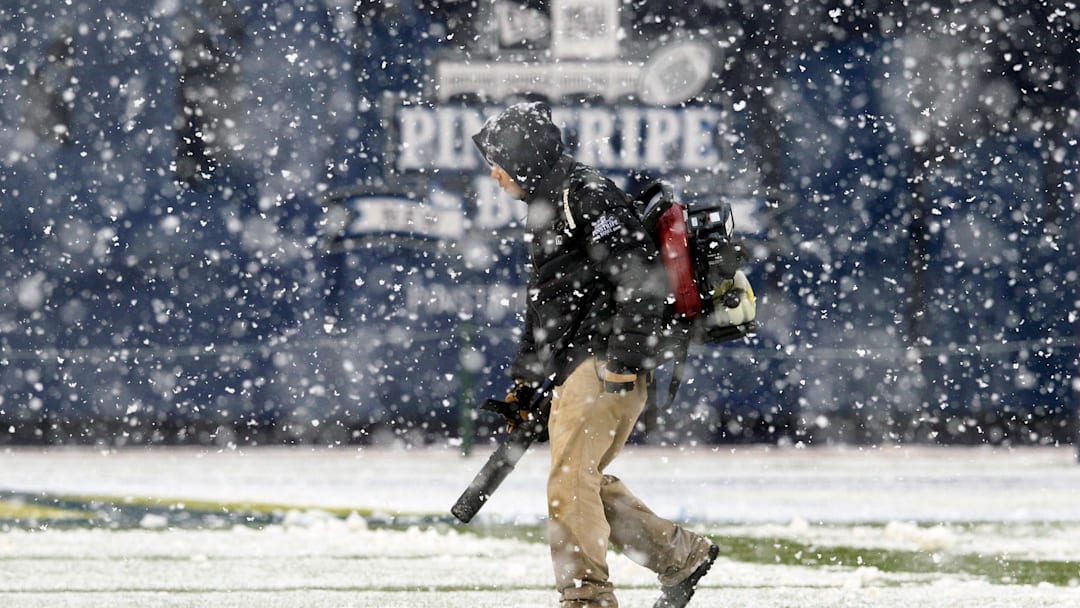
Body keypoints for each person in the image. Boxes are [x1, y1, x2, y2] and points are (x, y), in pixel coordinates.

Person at [472, 101, 719, 608]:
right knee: (579, 481)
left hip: (603, 361)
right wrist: (525, 382)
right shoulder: (552, 201)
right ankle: (679, 556)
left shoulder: (585, 195)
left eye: (499, 162)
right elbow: (545, 307)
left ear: (523, 160)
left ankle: (586, 598)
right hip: (584, 362)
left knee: (569, 481)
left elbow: (639, 278)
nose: (495, 175)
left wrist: (624, 361)